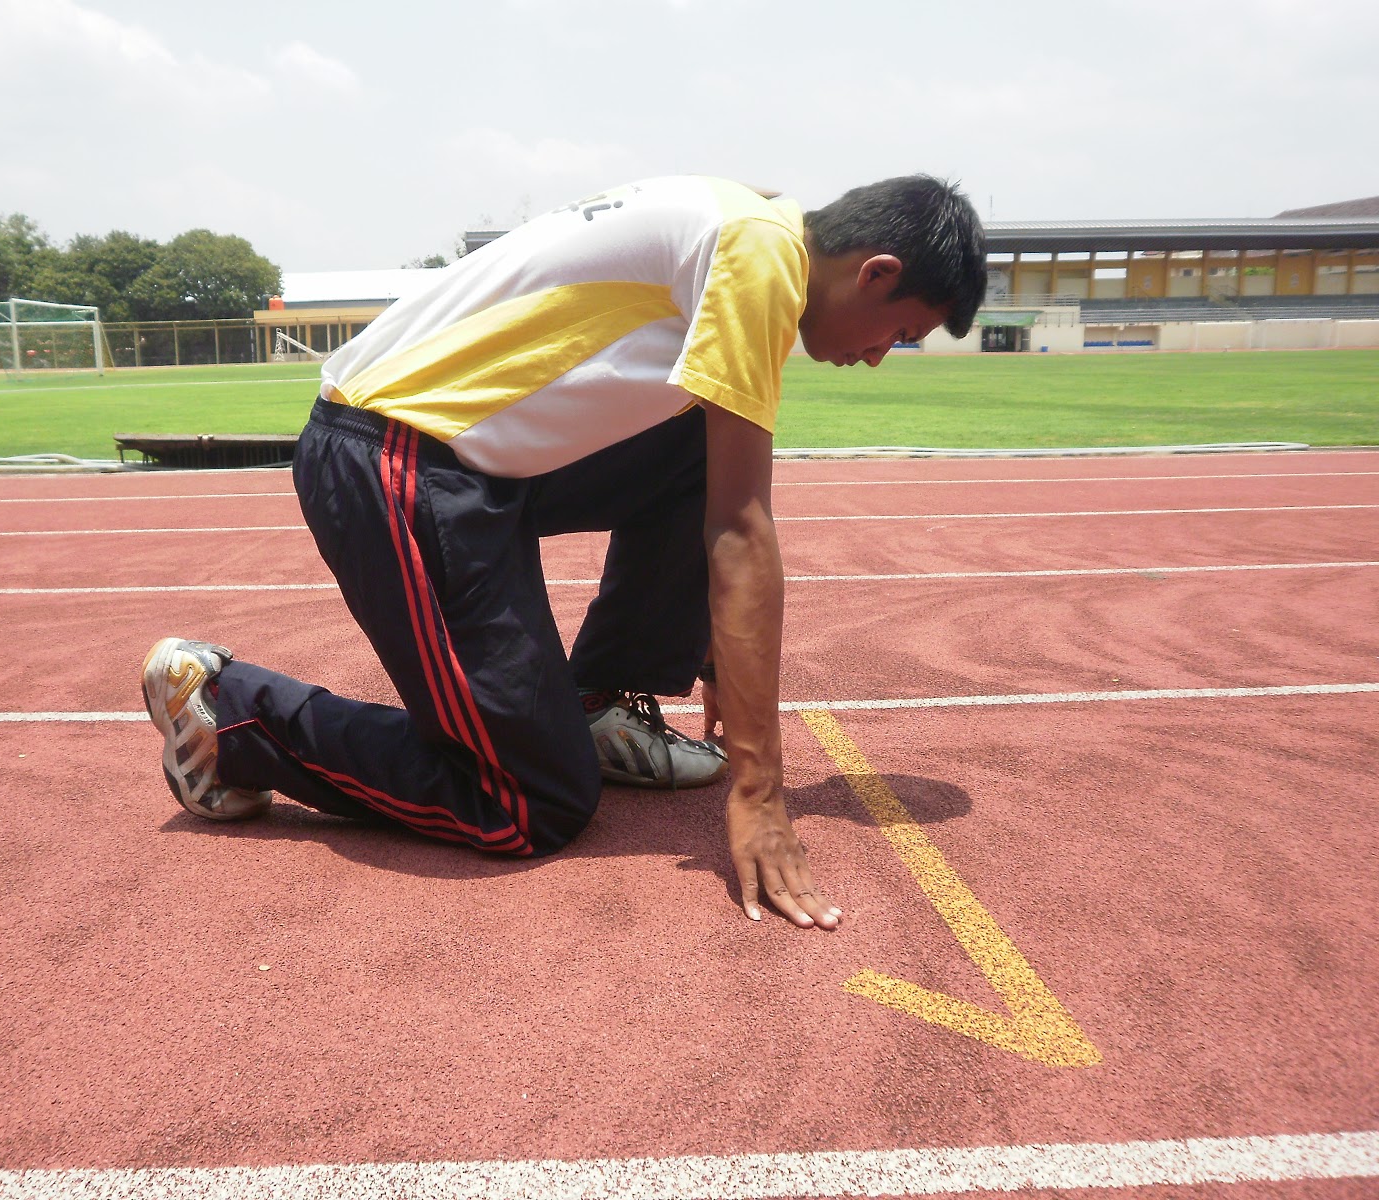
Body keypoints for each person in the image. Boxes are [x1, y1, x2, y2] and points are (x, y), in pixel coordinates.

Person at [141, 174, 986, 929]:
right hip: (394, 457)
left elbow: (715, 482)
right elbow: (740, 527)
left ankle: (594, 703)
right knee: (528, 804)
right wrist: (759, 789)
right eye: (899, 331)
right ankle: (231, 712)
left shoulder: (751, 215)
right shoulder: (760, 252)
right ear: (874, 272)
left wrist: (722, 662)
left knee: (703, 435)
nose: (878, 355)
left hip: (471, 462)